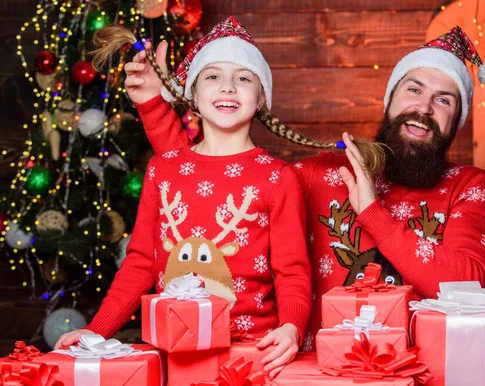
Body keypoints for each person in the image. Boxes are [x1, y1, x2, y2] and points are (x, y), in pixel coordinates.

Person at [116, 25, 485, 350]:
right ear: (390, 100)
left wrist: (373, 213)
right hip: (313, 370)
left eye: (444, 99)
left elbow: (466, 285)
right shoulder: (326, 172)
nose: (424, 108)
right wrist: (153, 105)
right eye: (413, 90)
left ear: (457, 120)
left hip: (420, 370)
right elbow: (212, 181)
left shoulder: (468, 185)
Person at [54, 17, 328, 377]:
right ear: (192, 96)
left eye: (243, 78)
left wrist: (291, 327)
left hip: (250, 353)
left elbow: (292, 271)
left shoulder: (278, 177)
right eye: (212, 76)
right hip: (174, 352)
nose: (228, 87)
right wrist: (95, 332)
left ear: (261, 98)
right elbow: (139, 263)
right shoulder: (162, 170)